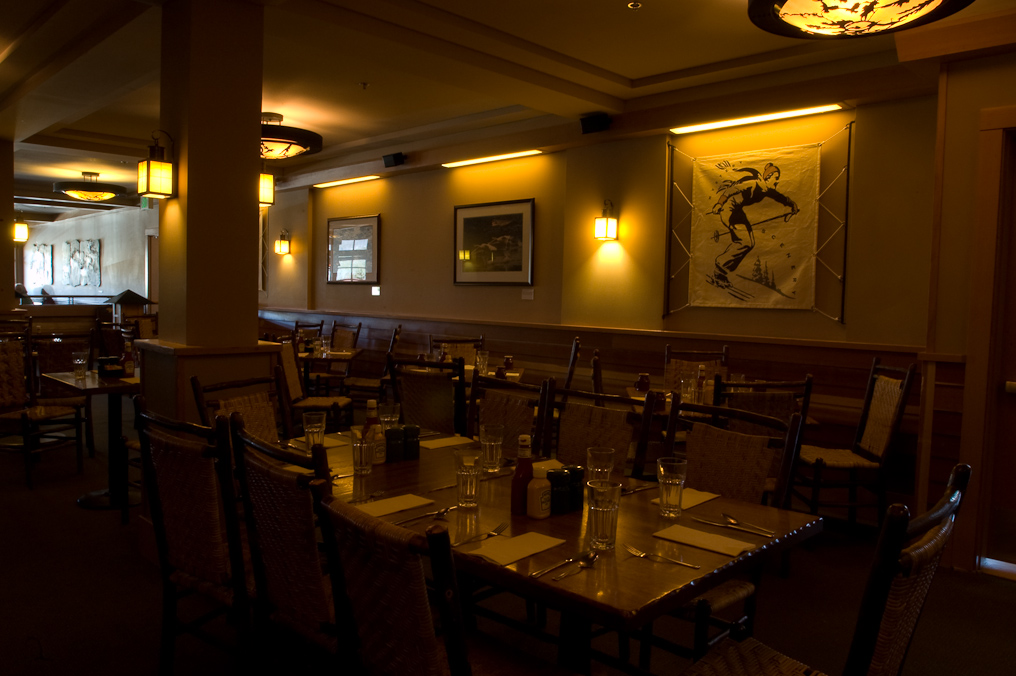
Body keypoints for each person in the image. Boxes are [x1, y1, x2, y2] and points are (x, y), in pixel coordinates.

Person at [708, 160, 799, 287]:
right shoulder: (753, 184)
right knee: (744, 242)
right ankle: (719, 271)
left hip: (737, 212)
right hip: (729, 210)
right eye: (776, 178)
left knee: (749, 243)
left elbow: (780, 197)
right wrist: (719, 204)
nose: (777, 181)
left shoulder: (766, 189)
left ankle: (721, 272)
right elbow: (730, 191)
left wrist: (792, 205)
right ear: (768, 177)